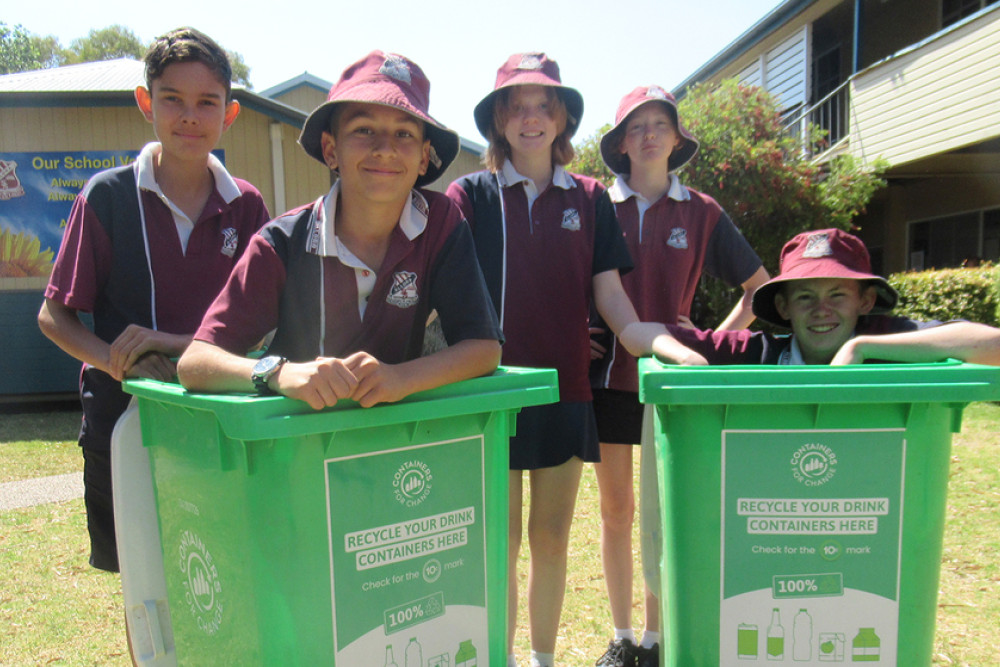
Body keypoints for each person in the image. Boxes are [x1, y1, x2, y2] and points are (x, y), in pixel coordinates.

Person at [446, 53, 667, 667]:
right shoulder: (468, 195)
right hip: (490, 396)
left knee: (550, 538)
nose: (531, 117)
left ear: (564, 116)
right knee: (501, 543)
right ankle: (501, 659)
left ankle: (542, 659)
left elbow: (612, 297)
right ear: (497, 119)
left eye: (545, 105)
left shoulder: (592, 198)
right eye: (516, 105)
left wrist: (650, 338)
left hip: (567, 392)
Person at [37, 27, 270, 574]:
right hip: (123, 420)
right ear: (146, 103)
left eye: (206, 102)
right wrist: (120, 363)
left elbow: (264, 326)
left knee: (221, 572)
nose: (189, 116)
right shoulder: (108, 195)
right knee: (143, 577)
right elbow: (53, 315)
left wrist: (174, 348)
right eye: (173, 99)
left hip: (220, 422)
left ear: (229, 114)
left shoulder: (248, 207)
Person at [176, 51, 503, 409]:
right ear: (331, 149)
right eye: (363, 130)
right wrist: (279, 374)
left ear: (424, 157)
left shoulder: (440, 222)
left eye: (404, 133)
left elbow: (484, 348)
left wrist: (401, 378)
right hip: (294, 447)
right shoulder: (282, 242)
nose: (385, 149)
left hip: (396, 443)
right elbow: (195, 363)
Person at [589, 86, 770, 667]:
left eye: (658, 125)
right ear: (620, 143)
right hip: (609, 380)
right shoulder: (596, 205)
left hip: (677, 385)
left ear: (676, 138)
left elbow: (761, 291)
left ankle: (656, 635)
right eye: (635, 126)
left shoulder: (702, 211)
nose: (647, 136)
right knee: (616, 512)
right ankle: (622, 637)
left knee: (667, 513)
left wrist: (709, 339)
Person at [650, 227, 1000, 367]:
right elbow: (641, 332)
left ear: (865, 301)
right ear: (783, 307)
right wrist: (685, 357)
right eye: (804, 297)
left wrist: (860, 348)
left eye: (837, 294)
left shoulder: (888, 342)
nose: (822, 310)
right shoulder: (762, 353)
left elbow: (993, 344)